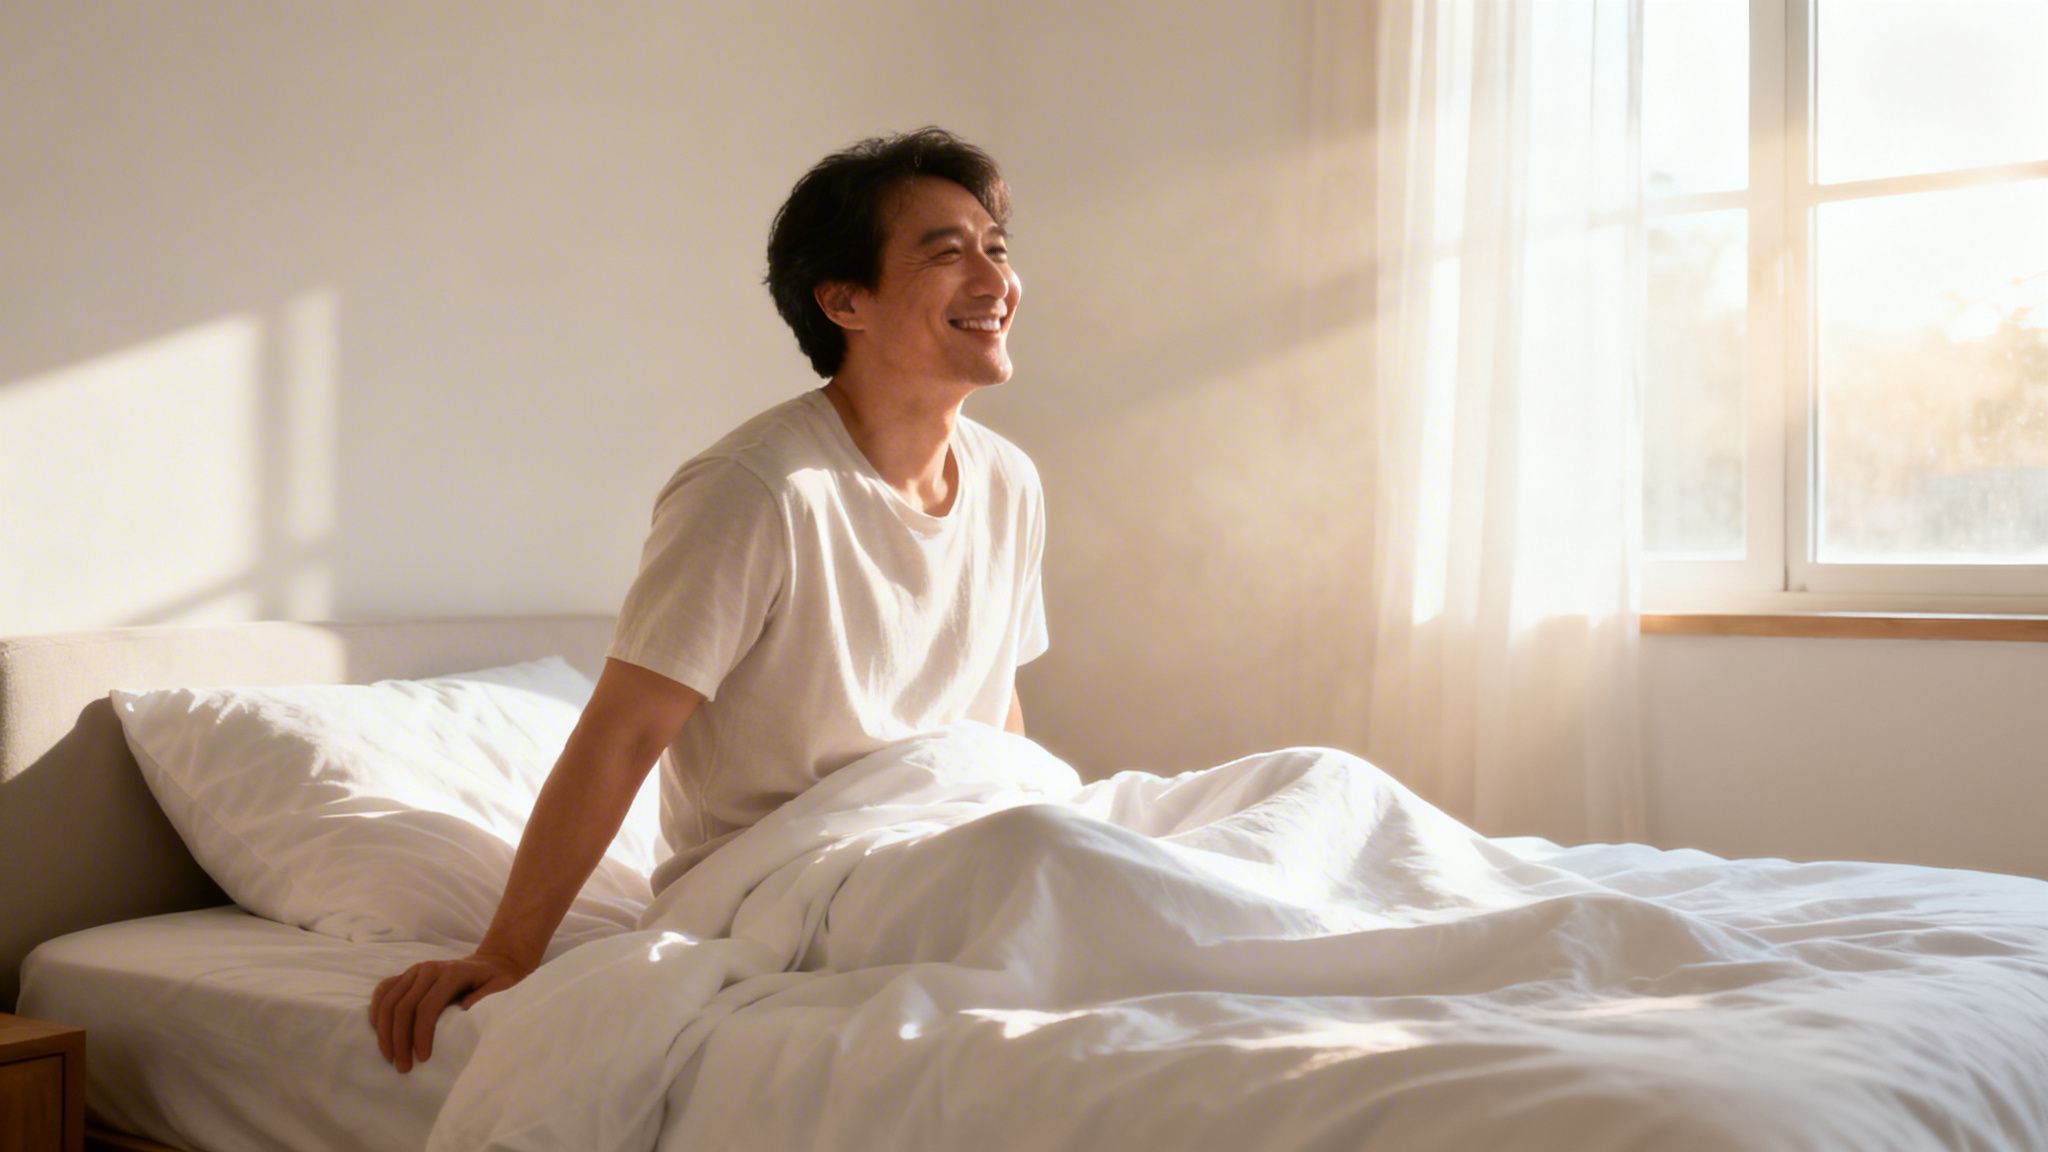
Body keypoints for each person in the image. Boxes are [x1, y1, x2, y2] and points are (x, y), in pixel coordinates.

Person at [369, 128, 1046, 1073]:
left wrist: (1028, 808)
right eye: (947, 252)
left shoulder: (1009, 481)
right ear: (843, 300)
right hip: (792, 881)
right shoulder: (756, 487)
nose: (993, 278)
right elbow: (622, 734)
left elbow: (994, 710)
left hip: (952, 837)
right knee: (1054, 874)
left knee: (1297, 791)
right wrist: (507, 951)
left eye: (996, 247)